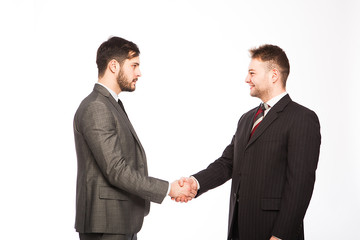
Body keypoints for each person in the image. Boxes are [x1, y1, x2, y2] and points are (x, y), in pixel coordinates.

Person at [176, 44, 321, 240]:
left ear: (274, 75)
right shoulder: (247, 119)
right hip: (239, 229)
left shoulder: (302, 118)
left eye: (252, 73)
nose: (246, 79)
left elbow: (300, 185)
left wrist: (280, 235)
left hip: (273, 232)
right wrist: (195, 183)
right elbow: (228, 163)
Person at [73, 36, 195, 240]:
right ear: (113, 66)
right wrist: (168, 189)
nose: (139, 72)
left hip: (118, 220)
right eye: (134, 65)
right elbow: (116, 170)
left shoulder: (110, 104)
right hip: (106, 223)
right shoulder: (97, 107)